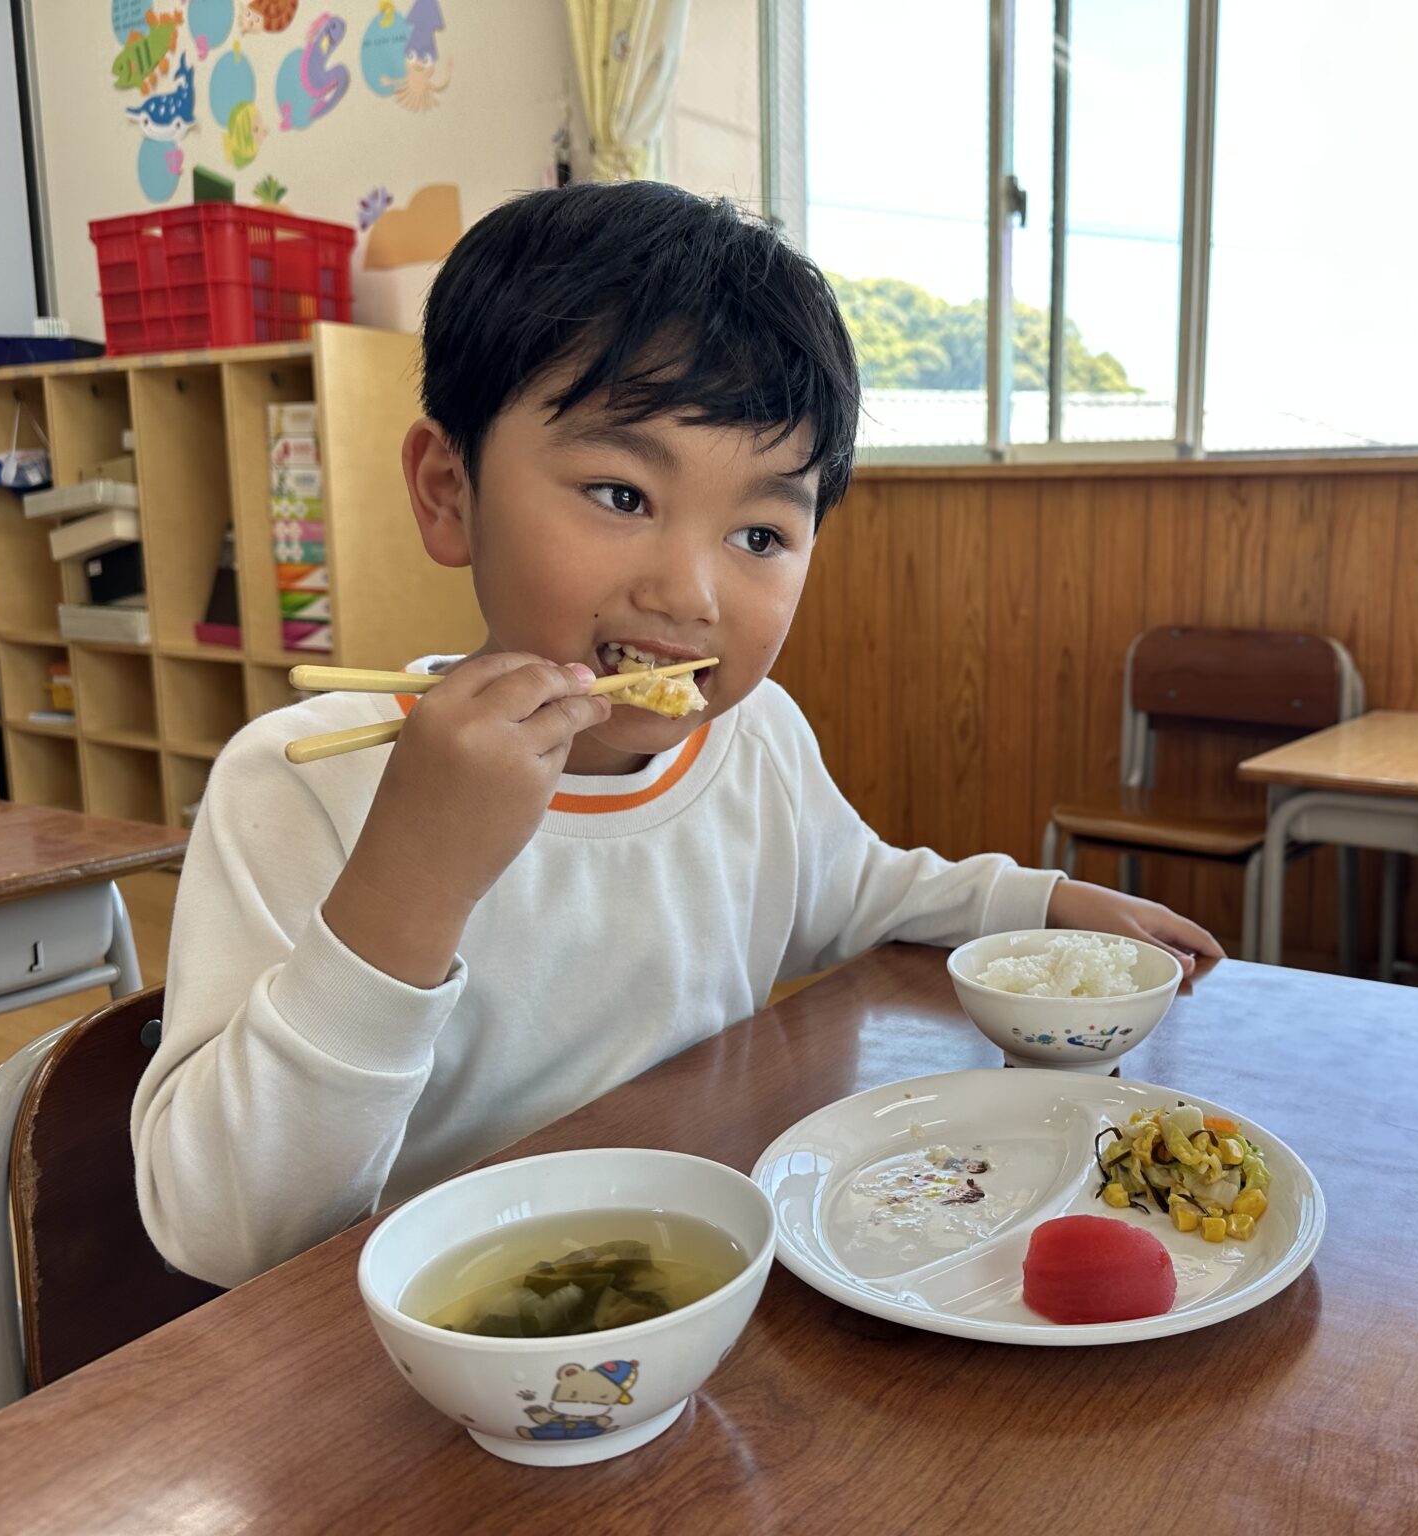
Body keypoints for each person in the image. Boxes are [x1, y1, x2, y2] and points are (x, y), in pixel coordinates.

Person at [133, 182, 1221, 1287]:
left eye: (759, 530)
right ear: (448, 491)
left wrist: (1038, 906)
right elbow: (228, 1231)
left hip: (697, 1288)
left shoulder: (756, 741)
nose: (691, 593)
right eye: (618, 493)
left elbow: (858, 891)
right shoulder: (300, 782)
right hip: (411, 1344)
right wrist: (411, 878)